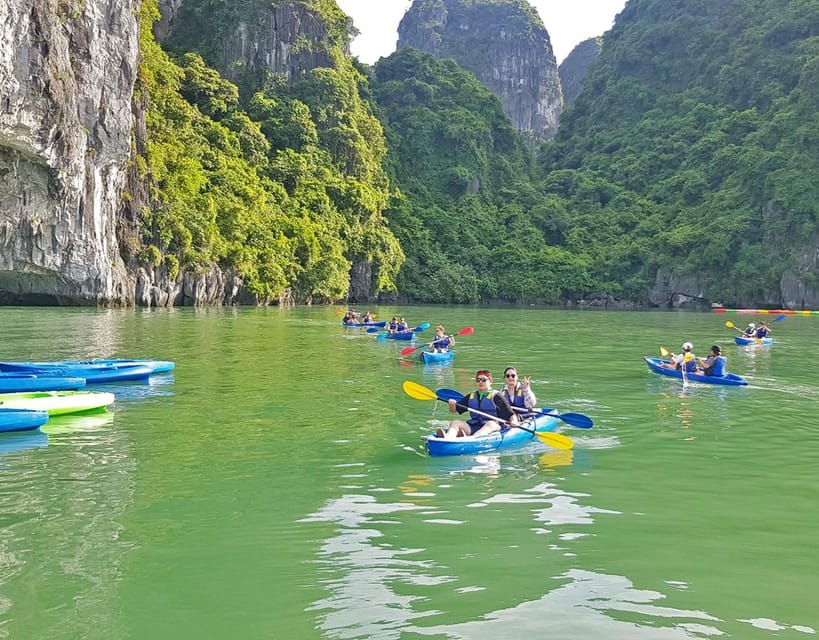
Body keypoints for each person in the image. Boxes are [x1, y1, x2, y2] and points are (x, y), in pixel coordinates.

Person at [436, 370, 518, 439]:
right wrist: (451, 404)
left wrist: (514, 421)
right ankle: (448, 438)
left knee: (490, 424)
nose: (480, 382)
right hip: (474, 426)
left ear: (490, 381)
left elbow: (511, 414)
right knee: (455, 422)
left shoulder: (496, 396)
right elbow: (454, 411)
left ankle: (471, 440)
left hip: (493, 426)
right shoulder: (471, 396)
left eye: (483, 380)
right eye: (478, 380)